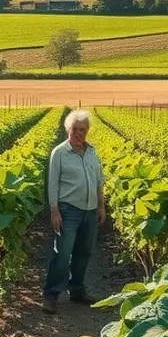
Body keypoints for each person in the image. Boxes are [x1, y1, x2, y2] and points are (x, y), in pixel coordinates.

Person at [43, 110, 105, 315]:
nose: (79, 133)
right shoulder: (59, 153)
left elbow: (98, 181)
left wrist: (101, 205)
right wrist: (54, 211)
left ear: (87, 131)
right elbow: (52, 184)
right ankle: (51, 295)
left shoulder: (92, 151)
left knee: (84, 252)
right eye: (75, 129)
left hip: (90, 209)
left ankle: (77, 290)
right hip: (68, 209)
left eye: (83, 130)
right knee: (62, 253)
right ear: (68, 130)